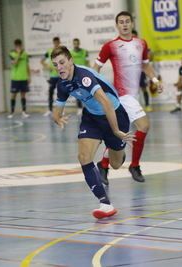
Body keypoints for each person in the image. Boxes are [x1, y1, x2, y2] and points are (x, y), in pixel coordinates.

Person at [51, 46, 134, 219]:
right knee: (83, 157)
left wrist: (117, 131)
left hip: (115, 115)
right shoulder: (62, 83)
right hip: (92, 118)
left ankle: (108, 153)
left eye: (62, 62)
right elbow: (56, 111)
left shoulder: (85, 77)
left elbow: (107, 104)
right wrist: (57, 118)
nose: (59, 67)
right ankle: (105, 203)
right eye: (55, 64)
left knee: (116, 164)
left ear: (71, 60)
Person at [93, 11, 163, 183]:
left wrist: (155, 79)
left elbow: (146, 67)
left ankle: (103, 165)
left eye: (127, 21)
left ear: (132, 24)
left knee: (119, 135)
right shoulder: (110, 46)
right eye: (121, 22)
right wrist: (95, 90)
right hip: (121, 96)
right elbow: (95, 69)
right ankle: (134, 165)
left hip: (134, 96)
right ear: (117, 26)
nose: (124, 24)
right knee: (144, 125)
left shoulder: (141, 44)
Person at [8, 39, 30, 119]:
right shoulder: (11, 53)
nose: (18, 47)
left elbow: (27, 65)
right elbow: (15, 63)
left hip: (23, 78)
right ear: (15, 46)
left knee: (23, 95)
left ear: (21, 45)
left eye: (19, 45)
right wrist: (18, 54)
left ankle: (24, 111)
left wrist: (29, 76)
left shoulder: (25, 54)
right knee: (13, 95)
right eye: (17, 46)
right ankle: (12, 112)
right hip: (15, 78)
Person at [41, 36, 61, 116]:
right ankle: (50, 109)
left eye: (57, 42)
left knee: (61, 93)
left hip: (61, 75)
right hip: (52, 76)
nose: (56, 44)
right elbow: (42, 61)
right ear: (53, 43)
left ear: (59, 42)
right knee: (50, 92)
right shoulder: (49, 51)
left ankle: (61, 110)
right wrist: (47, 66)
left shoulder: (62, 51)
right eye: (55, 42)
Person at [70, 38, 90, 116]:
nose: (76, 45)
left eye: (77, 43)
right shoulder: (70, 53)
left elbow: (88, 62)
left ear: (79, 43)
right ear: (73, 44)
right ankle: (79, 108)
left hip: (84, 74)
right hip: (75, 75)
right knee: (78, 92)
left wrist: (89, 72)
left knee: (86, 91)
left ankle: (88, 107)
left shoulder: (85, 52)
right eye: (74, 43)